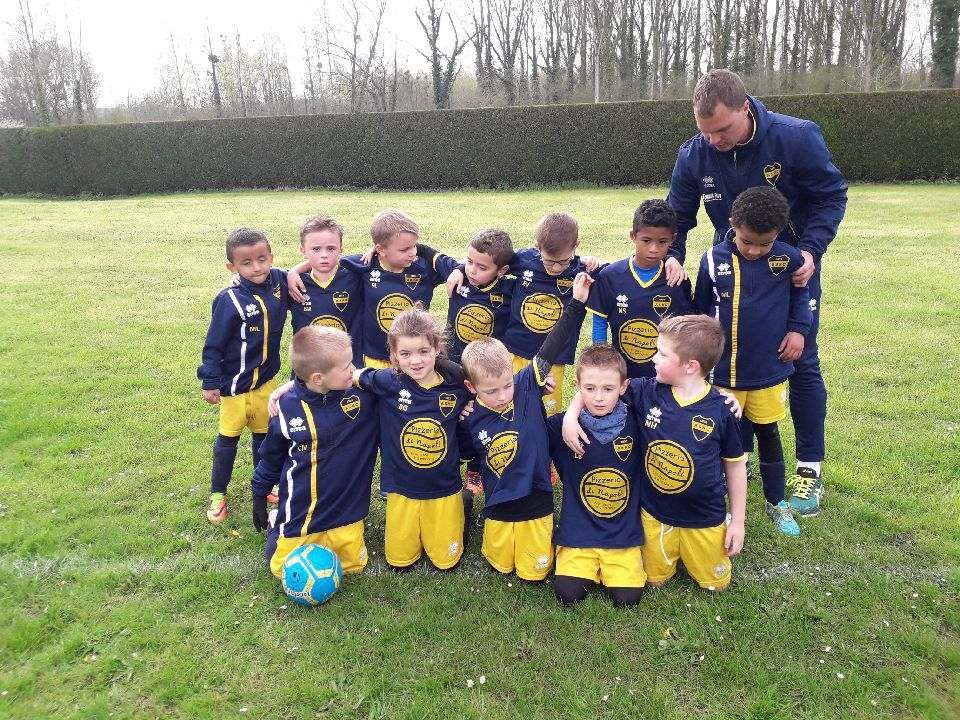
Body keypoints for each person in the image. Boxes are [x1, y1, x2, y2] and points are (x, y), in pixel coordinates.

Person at [667, 68, 847, 516]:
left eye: (722, 130)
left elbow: (831, 196)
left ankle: (808, 470)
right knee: (725, 363)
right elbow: (678, 216)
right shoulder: (694, 154)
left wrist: (810, 250)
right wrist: (672, 254)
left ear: (745, 109)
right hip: (729, 270)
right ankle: (735, 458)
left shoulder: (796, 137)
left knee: (799, 358)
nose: (714, 140)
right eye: (705, 131)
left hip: (791, 269)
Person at [563, 315, 747, 592]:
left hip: (705, 516)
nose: (653, 358)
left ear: (690, 366)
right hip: (654, 515)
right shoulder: (647, 391)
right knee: (654, 581)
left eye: (662, 353)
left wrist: (738, 522)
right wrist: (571, 415)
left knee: (715, 585)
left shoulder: (722, 409)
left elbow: (735, 466)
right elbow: (600, 385)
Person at [693, 186, 812, 536]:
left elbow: (801, 297)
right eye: (747, 242)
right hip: (722, 374)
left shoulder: (789, 259)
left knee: (768, 434)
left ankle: (776, 502)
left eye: (765, 243)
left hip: (767, 371)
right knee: (716, 438)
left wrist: (798, 331)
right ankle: (715, 505)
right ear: (733, 224)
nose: (755, 250)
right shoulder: (712, 259)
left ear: (779, 233)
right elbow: (701, 309)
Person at [459, 272, 591, 582]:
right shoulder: (469, 415)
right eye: (491, 391)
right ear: (471, 387)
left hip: (537, 495)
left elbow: (553, 343)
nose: (503, 395)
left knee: (534, 573)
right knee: (500, 565)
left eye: (507, 385)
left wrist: (577, 303)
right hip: (499, 502)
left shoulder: (527, 384)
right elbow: (465, 454)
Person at [252, 326, 378, 578]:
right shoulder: (286, 410)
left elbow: (402, 379)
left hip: (347, 511)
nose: (353, 369)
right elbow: (271, 458)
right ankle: (278, 523)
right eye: (346, 366)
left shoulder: (364, 395)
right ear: (318, 378)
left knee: (353, 567)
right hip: (303, 511)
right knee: (281, 570)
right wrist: (259, 493)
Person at [353, 306, 472, 571]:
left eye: (423, 351)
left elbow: (492, 387)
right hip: (401, 487)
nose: (415, 361)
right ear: (394, 355)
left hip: (444, 485)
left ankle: (462, 503)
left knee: (446, 563)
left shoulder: (458, 384)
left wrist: (472, 404)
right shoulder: (387, 381)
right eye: (405, 354)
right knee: (399, 563)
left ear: (437, 349)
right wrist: (293, 386)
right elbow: (345, 374)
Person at [197, 228, 288, 524]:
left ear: (271, 257)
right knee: (227, 442)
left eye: (262, 259)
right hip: (233, 389)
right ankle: (218, 494)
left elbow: (298, 272)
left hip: (265, 386)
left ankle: (264, 485)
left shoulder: (279, 283)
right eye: (246, 263)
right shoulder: (229, 299)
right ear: (232, 267)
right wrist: (210, 382)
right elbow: (213, 345)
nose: (257, 267)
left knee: (265, 439)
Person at [546, 344, 647, 606]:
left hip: (622, 532)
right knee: (568, 594)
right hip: (578, 530)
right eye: (590, 389)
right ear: (577, 386)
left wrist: (720, 399)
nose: (599, 397)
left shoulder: (638, 421)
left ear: (623, 387)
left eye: (608, 389)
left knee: (627, 599)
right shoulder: (562, 426)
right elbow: (522, 422)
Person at [587, 200, 693, 377]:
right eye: (646, 240)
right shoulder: (610, 276)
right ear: (633, 236)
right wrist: (602, 362)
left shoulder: (676, 280)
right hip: (622, 374)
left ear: (673, 239)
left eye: (662, 241)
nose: (653, 249)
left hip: (663, 375)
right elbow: (599, 322)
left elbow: (685, 330)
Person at [287, 215, 364, 367]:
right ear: (302, 249)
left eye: (331, 248)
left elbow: (382, 252)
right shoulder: (293, 283)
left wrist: (294, 270)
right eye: (316, 249)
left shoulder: (357, 275)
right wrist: (292, 273)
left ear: (341, 248)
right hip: (309, 368)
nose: (324, 255)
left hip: (348, 366)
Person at [445, 228, 515, 365]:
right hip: (450, 361)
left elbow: (533, 265)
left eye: (482, 268)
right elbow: (425, 251)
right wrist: (459, 268)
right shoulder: (460, 277)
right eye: (469, 261)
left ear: (502, 270)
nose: (472, 271)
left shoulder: (510, 291)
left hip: (486, 366)